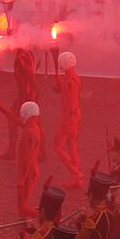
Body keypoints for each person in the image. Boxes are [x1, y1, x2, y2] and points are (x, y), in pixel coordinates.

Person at [0, 98, 45, 217]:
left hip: (27, 172)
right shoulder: (32, 126)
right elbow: (13, 118)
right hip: (30, 171)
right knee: (23, 206)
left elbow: (28, 159)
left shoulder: (30, 131)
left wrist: (22, 179)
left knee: (23, 208)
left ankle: (48, 218)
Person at [54, 51, 83, 188]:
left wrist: (68, 121)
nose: (59, 63)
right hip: (75, 115)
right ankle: (76, 179)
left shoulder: (70, 81)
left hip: (69, 116)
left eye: (60, 62)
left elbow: (71, 103)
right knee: (72, 146)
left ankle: (75, 173)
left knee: (57, 146)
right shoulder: (74, 77)